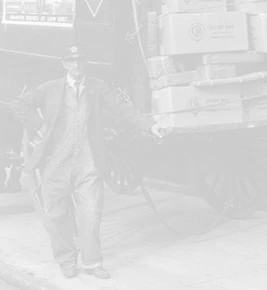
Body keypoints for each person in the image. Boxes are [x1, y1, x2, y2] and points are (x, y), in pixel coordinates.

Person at [8, 46, 167, 279]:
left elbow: (123, 110)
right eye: (71, 61)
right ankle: (66, 260)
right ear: (64, 64)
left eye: (80, 60)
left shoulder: (97, 87)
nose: (76, 65)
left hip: (87, 163)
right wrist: (37, 125)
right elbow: (19, 105)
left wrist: (150, 126)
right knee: (56, 215)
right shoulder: (50, 89)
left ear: (86, 63)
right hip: (56, 163)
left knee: (90, 213)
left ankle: (92, 262)